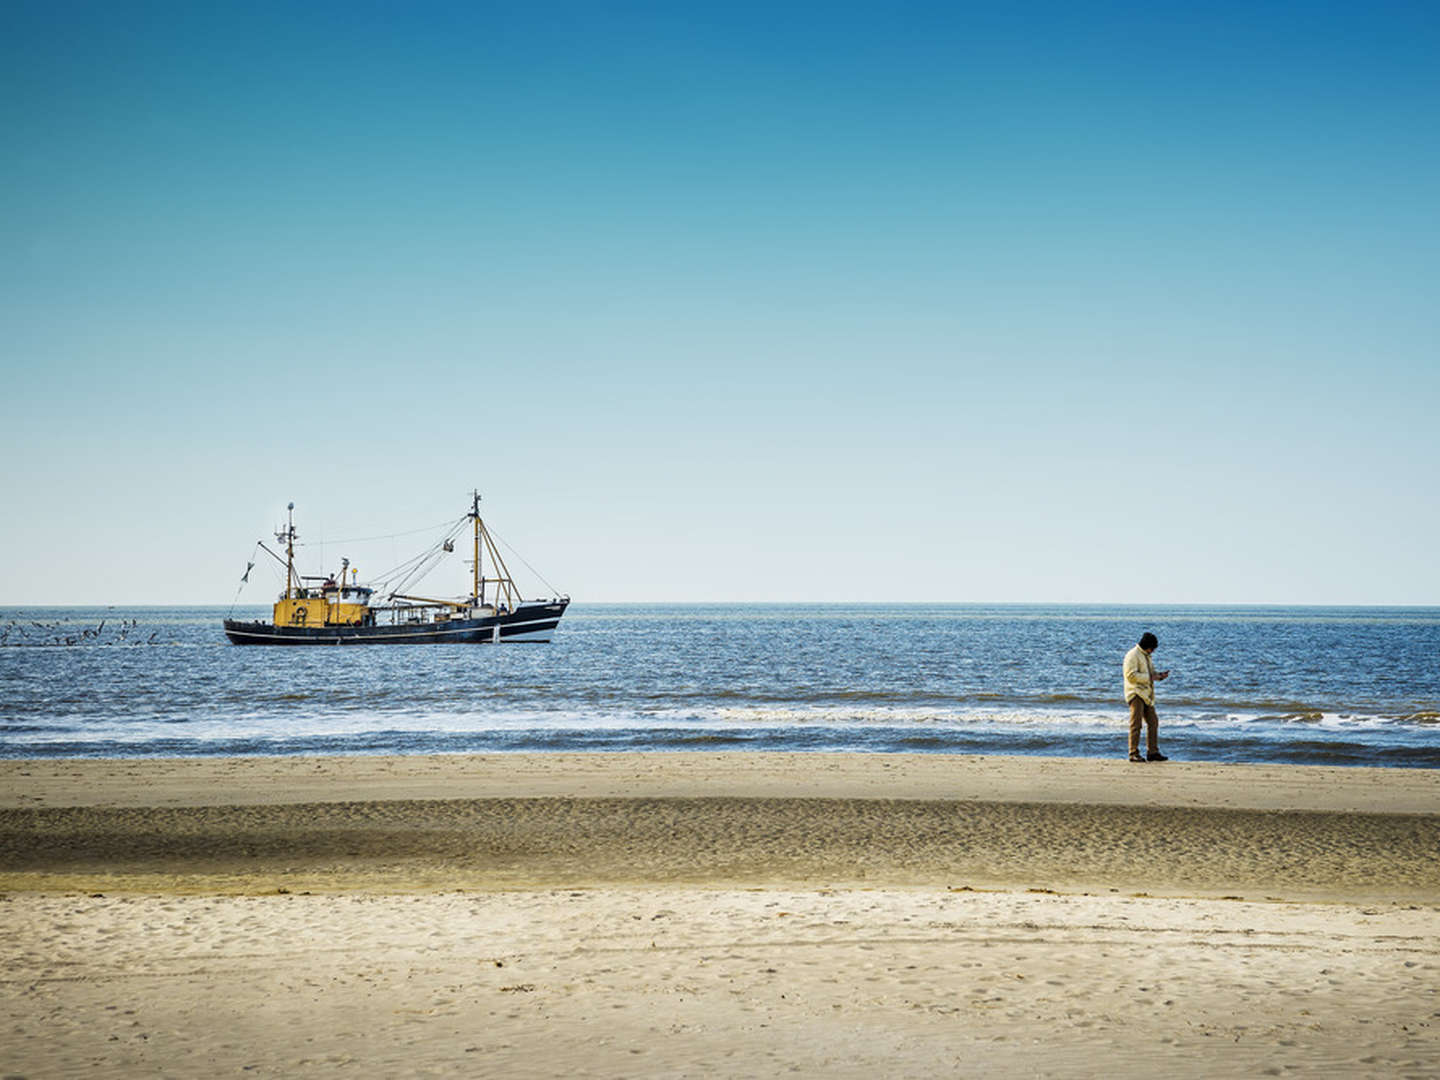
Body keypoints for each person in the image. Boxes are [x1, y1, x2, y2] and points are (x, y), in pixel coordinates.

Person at [1122, 632, 1170, 762]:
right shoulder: (1132, 655)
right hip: (1135, 693)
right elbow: (1131, 676)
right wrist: (1150, 677)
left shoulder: (1146, 656)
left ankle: (1153, 752)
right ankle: (1133, 753)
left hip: (1146, 695)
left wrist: (1159, 676)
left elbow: (1151, 674)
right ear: (1147, 645)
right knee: (1136, 724)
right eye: (1152, 648)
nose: (1153, 651)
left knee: (1153, 722)